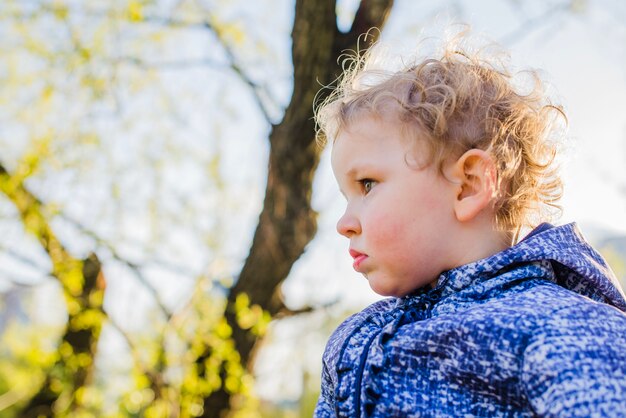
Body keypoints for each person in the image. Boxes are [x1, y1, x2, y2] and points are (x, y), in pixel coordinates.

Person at [313, 32, 626, 417]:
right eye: (346, 196)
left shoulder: (564, 328)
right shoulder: (354, 339)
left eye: (367, 185)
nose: (344, 223)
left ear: (469, 186)